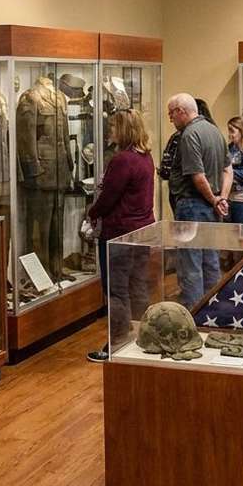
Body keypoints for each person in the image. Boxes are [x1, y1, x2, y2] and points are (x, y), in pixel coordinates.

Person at [85, 109, 156, 362]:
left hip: (120, 233)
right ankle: (143, 337)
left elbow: (108, 198)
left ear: (124, 129)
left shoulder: (123, 160)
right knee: (137, 286)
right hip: (141, 231)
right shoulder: (145, 157)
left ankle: (116, 343)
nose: (110, 131)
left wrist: (92, 212)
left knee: (116, 290)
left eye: (114, 126)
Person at [166, 94, 231, 307]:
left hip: (192, 205)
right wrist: (221, 198)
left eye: (171, 113)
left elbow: (198, 176)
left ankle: (193, 315)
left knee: (190, 264)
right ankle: (213, 311)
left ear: (181, 111)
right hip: (211, 207)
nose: (170, 118)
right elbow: (228, 170)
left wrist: (214, 200)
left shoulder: (189, 134)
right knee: (211, 260)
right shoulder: (214, 130)